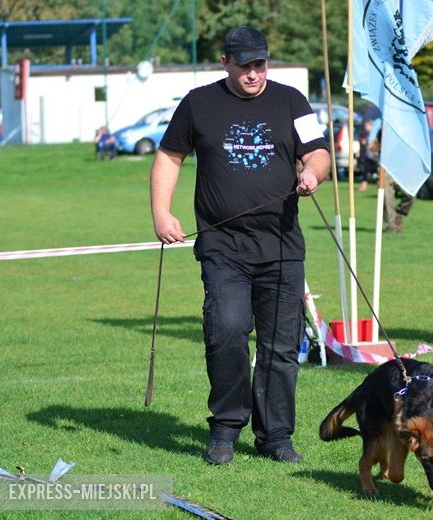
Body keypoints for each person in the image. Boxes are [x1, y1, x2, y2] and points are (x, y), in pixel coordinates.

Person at [149, 25, 329, 465]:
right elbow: (169, 156)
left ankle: (276, 437)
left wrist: (312, 173)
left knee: (281, 345)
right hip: (222, 246)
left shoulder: (292, 101)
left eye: (260, 64)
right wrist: (161, 212)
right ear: (225, 63)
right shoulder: (198, 104)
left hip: (283, 246)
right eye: (244, 65)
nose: (253, 73)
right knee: (227, 331)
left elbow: (319, 151)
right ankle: (226, 429)